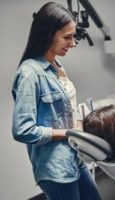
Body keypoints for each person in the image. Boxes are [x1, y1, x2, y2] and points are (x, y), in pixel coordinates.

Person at [12, 2, 101, 200]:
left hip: (74, 158)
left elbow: (69, 107)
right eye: (67, 37)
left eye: (73, 36)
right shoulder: (29, 74)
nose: (74, 43)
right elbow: (22, 130)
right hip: (56, 169)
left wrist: (79, 126)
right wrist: (68, 133)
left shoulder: (57, 66)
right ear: (47, 34)